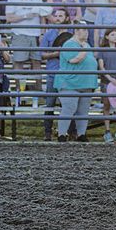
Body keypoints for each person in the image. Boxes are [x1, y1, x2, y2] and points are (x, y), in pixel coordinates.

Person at [6, 0, 50, 95]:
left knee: (37, 62)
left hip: (35, 34)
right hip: (19, 34)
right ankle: (19, 90)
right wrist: (25, 16)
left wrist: (42, 33)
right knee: (18, 62)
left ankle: (38, 91)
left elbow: (42, 17)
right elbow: (9, 18)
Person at [54, 21, 98, 142]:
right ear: (77, 31)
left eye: (87, 30)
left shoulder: (86, 45)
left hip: (86, 83)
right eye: (84, 30)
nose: (87, 33)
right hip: (70, 83)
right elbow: (75, 60)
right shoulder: (69, 44)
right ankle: (62, 134)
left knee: (83, 110)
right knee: (69, 107)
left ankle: (81, 134)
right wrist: (84, 49)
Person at [40, 8, 71, 141]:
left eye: (61, 16)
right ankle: (47, 132)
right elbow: (42, 55)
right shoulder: (48, 34)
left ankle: (70, 131)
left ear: (66, 18)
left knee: (69, 105)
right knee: (50, 104)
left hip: (69, 74)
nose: (58, 18)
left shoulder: (72, 34)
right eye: (56, 16)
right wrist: (57, 54)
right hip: (53, 73)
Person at [98, 29, 116, 143]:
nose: (115, 37)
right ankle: (107, 130)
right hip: (107, 82)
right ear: (106, 37)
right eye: (112, 35)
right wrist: (110, 78)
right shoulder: (102, 51)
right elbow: (102, 66)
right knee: (107, 105)